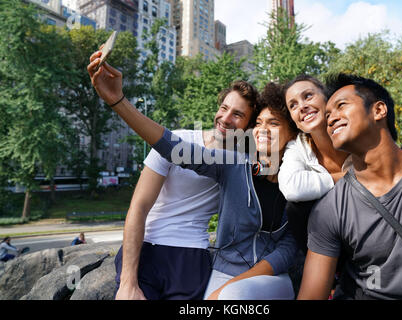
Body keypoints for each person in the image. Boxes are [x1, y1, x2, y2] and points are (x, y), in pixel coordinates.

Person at [87, 53, 299, 300]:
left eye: (238, 115)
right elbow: (169, 150)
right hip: (163, 253)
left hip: (195, 259)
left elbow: (288, 243)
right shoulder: (222, 161)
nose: (226, 118)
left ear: (246, 129)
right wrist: (118, 101)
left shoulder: (277, 176)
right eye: (224, 108)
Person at [297, 74, 402, 299]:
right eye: (327, 115)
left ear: (379, 110)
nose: (330, 120)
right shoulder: (329, 209)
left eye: (341, 106)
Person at [279, 74, 402, 253]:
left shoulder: (353, 131)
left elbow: (385, 153)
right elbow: (292, 187)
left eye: (308, 96)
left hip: (372, 220)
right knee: (296, 208)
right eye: (293, 105)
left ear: (328, 99)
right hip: (333, 231)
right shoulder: (297, 147)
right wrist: (349, 177)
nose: (302, 106)